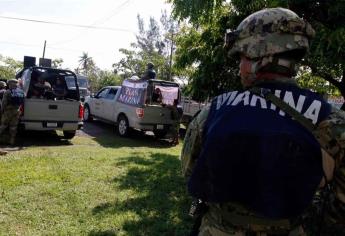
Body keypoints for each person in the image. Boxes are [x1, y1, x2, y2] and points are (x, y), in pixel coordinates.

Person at [181, 8, 345, 235]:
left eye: (243, 58)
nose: (239, 67)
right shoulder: (329, 119)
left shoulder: (216, 110)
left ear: (262, 57)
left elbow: (189, 169)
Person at [0, 79, 24, 145]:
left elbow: (4, 103)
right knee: (13, 126)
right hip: (17, 111)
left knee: (3, 125)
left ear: (10, 84)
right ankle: (11, 141)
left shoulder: (8, 92)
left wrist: (2, 111)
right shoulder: (21, 92)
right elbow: (22, 102)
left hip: (8, 111)